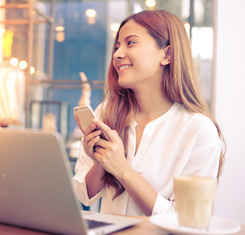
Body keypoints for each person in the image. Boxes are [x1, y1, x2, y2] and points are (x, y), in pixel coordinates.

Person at [72, 9, 225, 217]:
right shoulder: (106, 113)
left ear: (167, 55)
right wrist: (101, 164)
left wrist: (122, 170)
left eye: (131, 43)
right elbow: (83, 195)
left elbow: (186, 220)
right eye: (117, 46)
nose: (117, 54)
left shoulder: (199, 131)